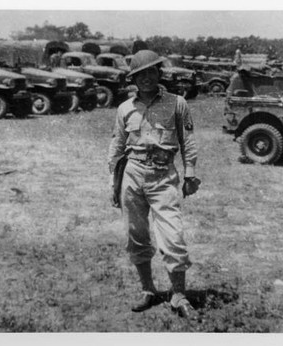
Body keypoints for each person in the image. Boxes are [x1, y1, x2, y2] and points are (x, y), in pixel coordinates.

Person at [107, 50, 201, 320]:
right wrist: (114, 183)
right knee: (136, 235)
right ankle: (147, 290)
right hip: (133, 174)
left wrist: (190, 172)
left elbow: (188, 141)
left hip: (163, 176)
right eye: (140, 74)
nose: (146, 78)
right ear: (133, 78)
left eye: (151, 72)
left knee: (173, 236)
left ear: (160, 73)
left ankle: (178, 294)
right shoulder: (125, 108)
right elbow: (116, 146)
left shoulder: (177, 103)